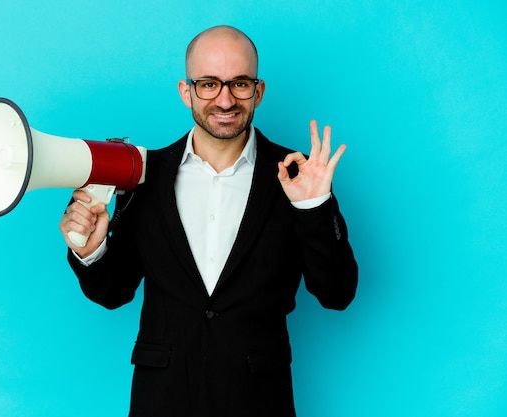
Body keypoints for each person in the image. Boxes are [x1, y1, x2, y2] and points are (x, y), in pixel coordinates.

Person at [59, 25, 358, 417]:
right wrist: (91, 251)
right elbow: (113, 293)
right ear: (186, 92)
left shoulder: (298, 175)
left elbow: (337, 294)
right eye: (208, 84)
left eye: (240, 83)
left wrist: (315, 206)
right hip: (161, 400)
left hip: (259, 400)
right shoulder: (144, 175)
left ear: (259, 91)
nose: (225, 98)